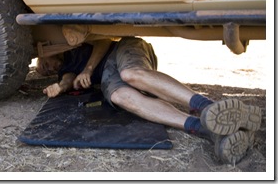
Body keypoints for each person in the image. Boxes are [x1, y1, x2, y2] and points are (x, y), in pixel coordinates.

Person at [36, 37, 262, 165]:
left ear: (44, 51)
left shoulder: (73, 44)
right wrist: (60, 86)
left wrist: (87, 69)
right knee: (118, 96)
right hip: (108, 74)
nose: (48, 68)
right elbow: (66, 80)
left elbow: (105, 41)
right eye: (45, 71)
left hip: (124, 48)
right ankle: (207, 129)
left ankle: (208, 107)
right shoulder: (65, 70)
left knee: (130, 74)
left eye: (44, 64)